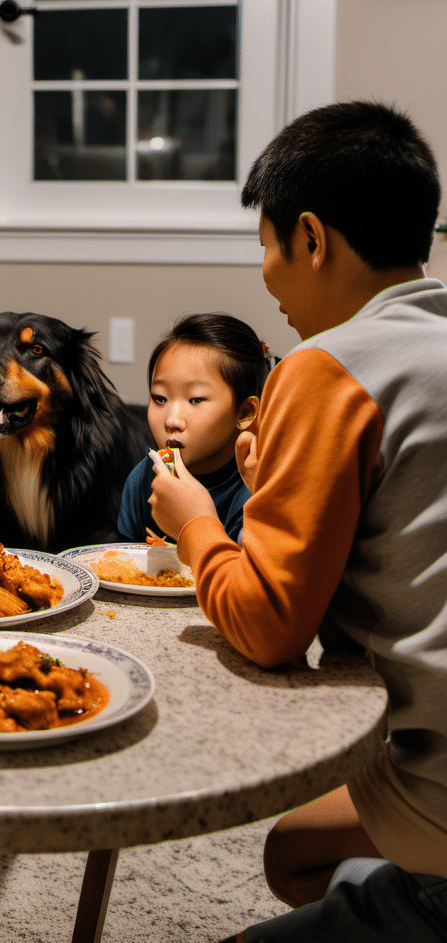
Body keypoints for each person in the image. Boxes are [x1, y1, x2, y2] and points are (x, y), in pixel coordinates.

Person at [146, 100, 447, 942]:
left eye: (268, 248)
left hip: (440, 784)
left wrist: (197, 522)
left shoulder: (324, 366)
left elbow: (272, 627)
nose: (268, 277)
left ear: (311, 238)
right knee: (292, 855)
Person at [116, 312, 270, 545]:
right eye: (160, 398)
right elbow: (122, 565)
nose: (172, 420)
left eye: (196, 400)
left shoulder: (255, 486)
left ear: (245, 412)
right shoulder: (143, 479)